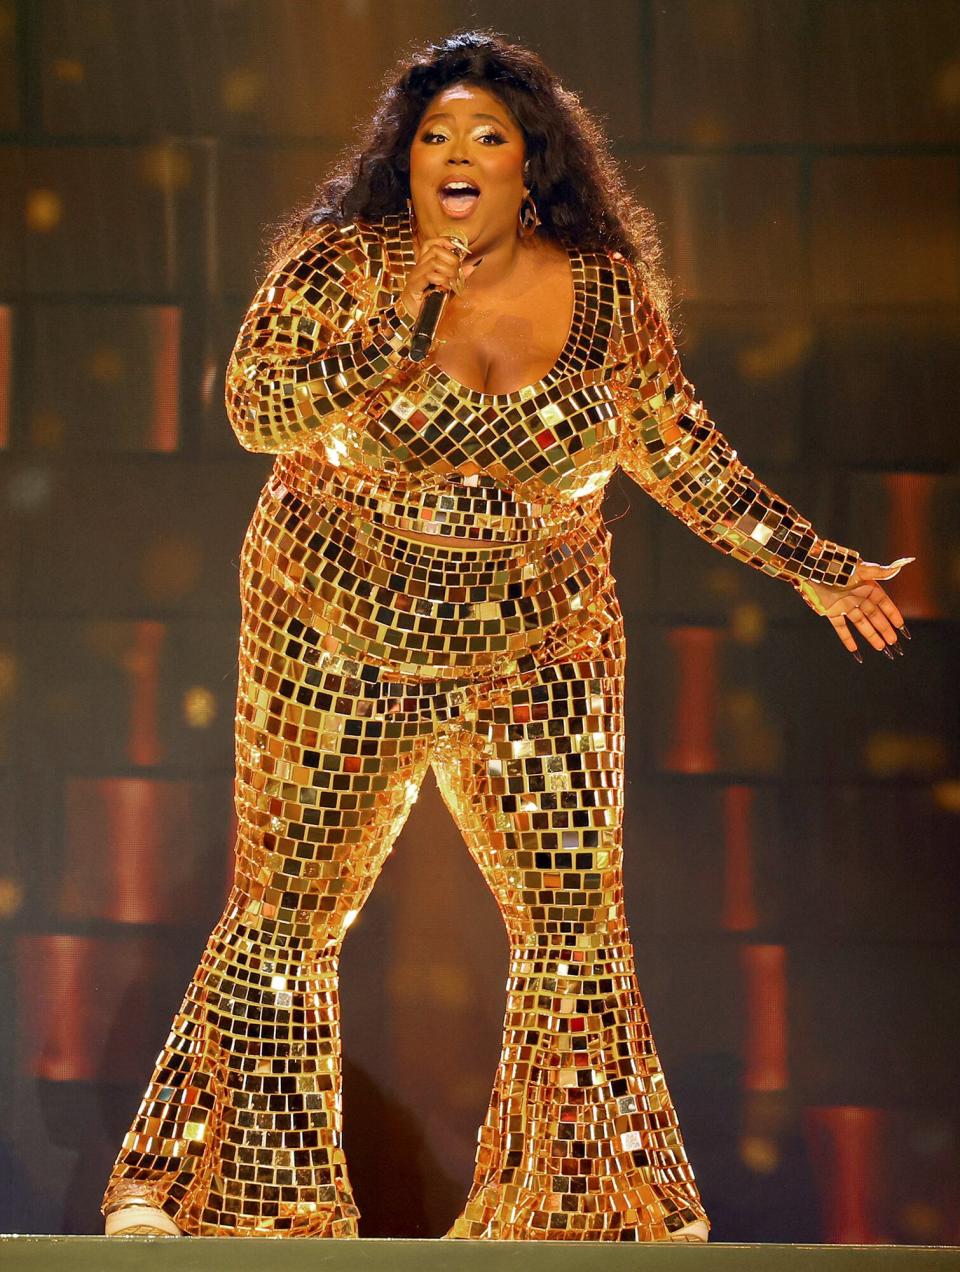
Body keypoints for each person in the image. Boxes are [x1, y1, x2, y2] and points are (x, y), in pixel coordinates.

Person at [100, 30, 911, 1242]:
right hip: (336, 629)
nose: (461, 153)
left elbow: (686, 456)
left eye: (489, 135)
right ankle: (214, 1199)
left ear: (533, 163)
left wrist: (819, 567)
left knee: (573, 918)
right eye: (437, 136)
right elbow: (257, 409)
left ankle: (590, 1209)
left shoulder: (607, 295)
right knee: (286, 914)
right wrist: (407, 316)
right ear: (407, 160)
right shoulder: (342, 269)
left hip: (542, 644)